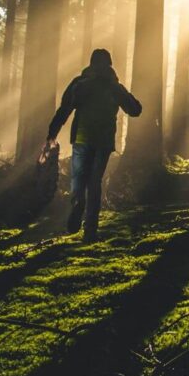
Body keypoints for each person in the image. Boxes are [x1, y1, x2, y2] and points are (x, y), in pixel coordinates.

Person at [47, 49, 142, 240]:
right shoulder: (114, 86)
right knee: (94, 183)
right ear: (109, 64)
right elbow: (135, 110)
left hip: (82, 139)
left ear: (90, 63)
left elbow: (64, 109)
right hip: (103, 141)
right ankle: (90, 230)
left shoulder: (79, 84)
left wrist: (52, 134)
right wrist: (121, 93)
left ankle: (77, 205)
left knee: (79, 181)